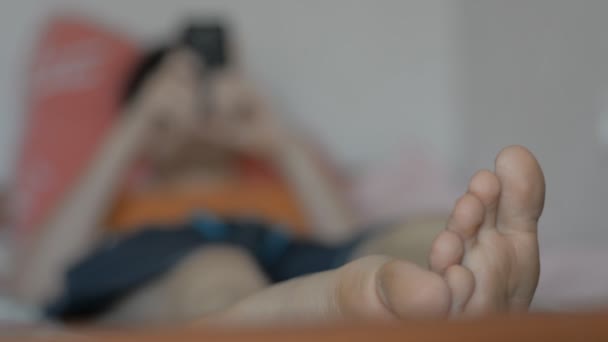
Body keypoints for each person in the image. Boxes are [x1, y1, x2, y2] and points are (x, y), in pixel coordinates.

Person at [13, 45, 545, 325]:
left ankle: (460, 288)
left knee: (413, 238)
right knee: (217, 268)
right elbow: (39, 284)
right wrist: (134, 129)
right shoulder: (128, 200)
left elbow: (345, 244)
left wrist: (276, 139)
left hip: (280, 254)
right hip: (171, 260)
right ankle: (265, 319)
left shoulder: (274, 187)